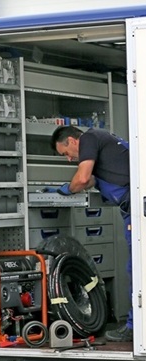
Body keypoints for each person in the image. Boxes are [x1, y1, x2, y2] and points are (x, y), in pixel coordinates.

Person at [50, 125, 132, 342]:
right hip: (131, 207)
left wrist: (67, 189)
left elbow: (83, 178)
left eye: (66, 153)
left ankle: (135, 327)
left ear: (72, 141)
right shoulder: (102, 140)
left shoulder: (89, 137)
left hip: (135, 208)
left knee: (137, 268)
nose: (69, 159)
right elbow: (94, 179)